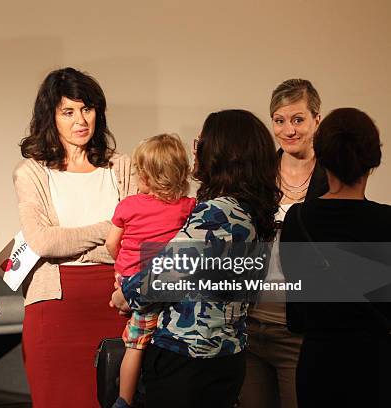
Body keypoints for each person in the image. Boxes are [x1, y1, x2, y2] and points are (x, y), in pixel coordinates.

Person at [113, 110, 281, 408]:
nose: (196, 150)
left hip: (188, 359)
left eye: (200, 142)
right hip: (227, 355)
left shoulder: (216, 213)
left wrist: (123, 292)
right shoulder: (251, 212)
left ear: (220, 154)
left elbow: (160, 280)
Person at [13, 67, 138, 407]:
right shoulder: (32, 173)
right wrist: (110, 228)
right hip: (54, 307)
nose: (81, 120)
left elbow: (136, 239)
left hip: (118, 302)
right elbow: (42, 242)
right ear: (50, 118)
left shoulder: (123, 168)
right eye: (68, 111)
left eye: (87, 109)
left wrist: (75, 245)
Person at [280, 108, 391, 407]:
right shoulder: (386, 221)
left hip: (319, 362)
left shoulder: (297, 219)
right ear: (373, 160)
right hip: (377, 364)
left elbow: (297, 313)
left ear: (321, 156)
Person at [241, 79, 328, 408]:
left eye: (298, 119)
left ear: (316, 120)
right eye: (279, 120)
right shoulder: (259, 174)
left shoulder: (333, 175)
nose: (288, 130)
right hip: (251, 324)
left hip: (301, 330)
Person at [105, 134, 196, 408]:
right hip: (169, 287)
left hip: (132, 282)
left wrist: (122, 267)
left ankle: (124, 399)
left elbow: (112, 243)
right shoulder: (188, 207)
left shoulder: (128, 206)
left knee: (135, 345)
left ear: (146, 175)